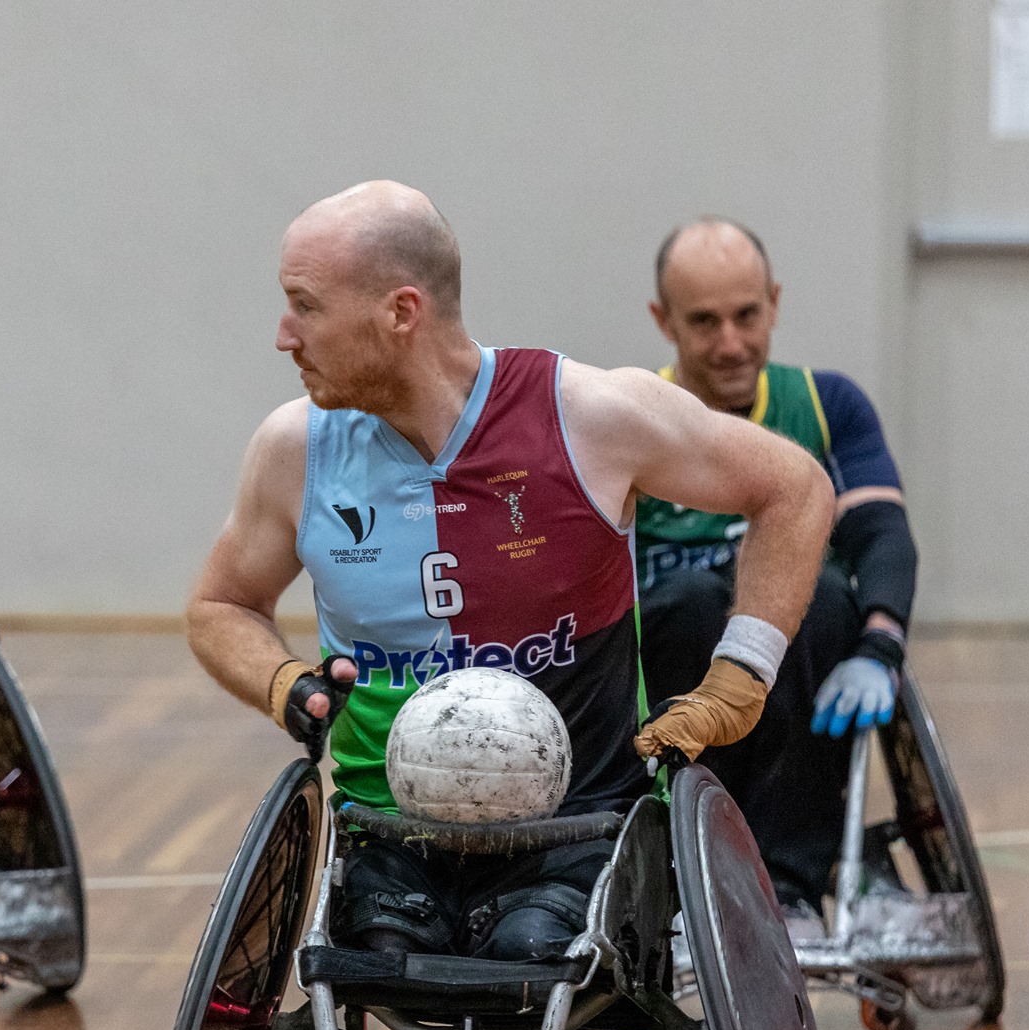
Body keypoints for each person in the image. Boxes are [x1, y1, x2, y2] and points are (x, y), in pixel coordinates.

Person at [188, 182, 834, 961]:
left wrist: (740, 676)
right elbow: (221, 604)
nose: (284, 334)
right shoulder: (295, 450)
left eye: (306, 305)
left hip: (579, 829)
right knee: (381, 952)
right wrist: (285, 682)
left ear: (401, 312)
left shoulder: (585, 415)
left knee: (533, 952)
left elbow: (794, 487)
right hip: (388, 837)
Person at [638, 216, 917, 919]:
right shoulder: (634, 416)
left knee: (819, 593)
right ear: (662, 320)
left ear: (775, 302)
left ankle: (788, 884)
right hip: (670, 669)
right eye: (704, 322)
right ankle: (690, 873)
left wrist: (881, 645)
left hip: (802, 667)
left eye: (746, 315)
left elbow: (882, 531)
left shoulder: (828, 404)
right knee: (699, 597)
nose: (730, 343)